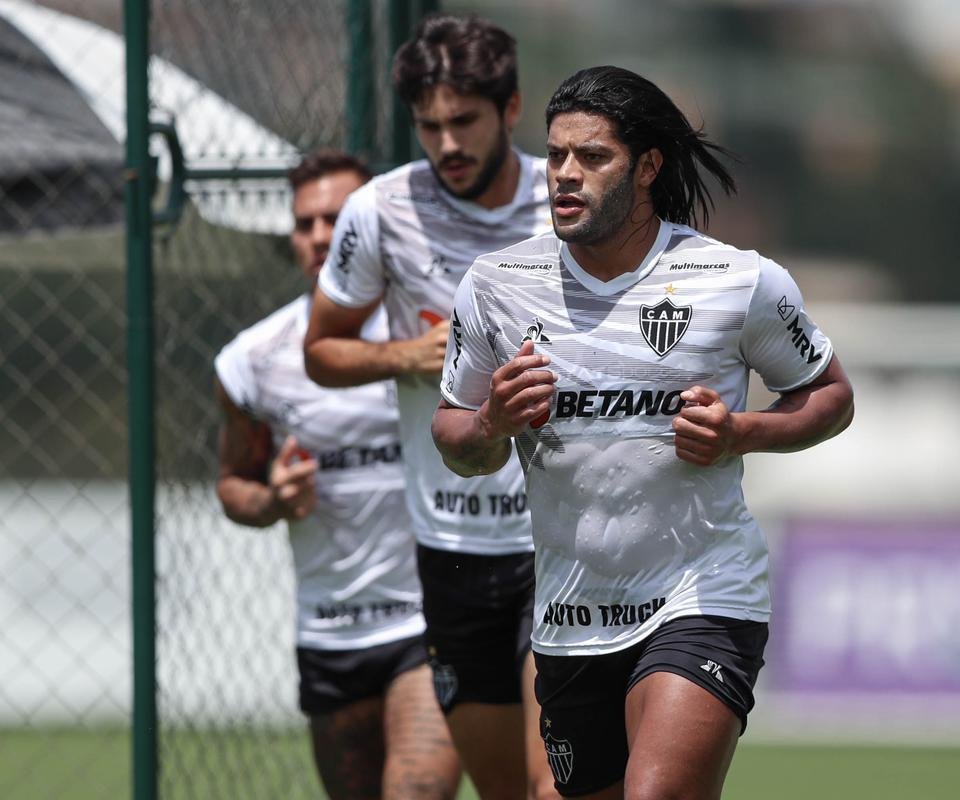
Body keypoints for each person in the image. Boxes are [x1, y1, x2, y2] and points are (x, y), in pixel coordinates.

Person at [431, 66, 855, 799]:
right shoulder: (495, 286)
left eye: (591, 157)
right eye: (556, 154)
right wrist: (491, 423)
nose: (564, 174)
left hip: (701, 594)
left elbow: (829, 396)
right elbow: (455, 438)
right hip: (569, 619)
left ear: (647, 167)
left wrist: (740, 432)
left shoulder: (739, 281)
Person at [303, 14, 559, 800]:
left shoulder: (569, 206)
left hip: (565, 538)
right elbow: (323, 349)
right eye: (428, 125)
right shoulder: (379, 211)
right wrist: (407, 357)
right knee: (504, 789)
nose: (446, 144)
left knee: (559, 785)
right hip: (452, 542)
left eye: (464, 121)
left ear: (510, 110)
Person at [214, 149, 460, 800]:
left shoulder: (440, 329)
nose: (321, 236)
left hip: (427, 622)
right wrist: (272, 498)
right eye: (305, 224)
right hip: (330, 630)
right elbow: (232, 485)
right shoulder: (253, 360)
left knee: (418, 789)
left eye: (338, 219)